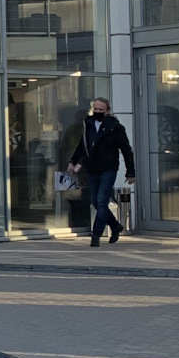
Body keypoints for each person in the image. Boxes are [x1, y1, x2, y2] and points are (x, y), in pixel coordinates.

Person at [69, 96, 135, 247]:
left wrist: (130, 172)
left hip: (108, 168)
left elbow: (126, 150)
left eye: (101, 109)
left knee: (101, 200)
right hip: (92, 168)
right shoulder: (88, 124)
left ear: (107, 111)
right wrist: (72, 161)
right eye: (95, 109)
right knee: (96, 202)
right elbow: (82, 145)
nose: (97, 112)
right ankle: (115, 226)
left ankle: (96, 234)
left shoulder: (115, 128)